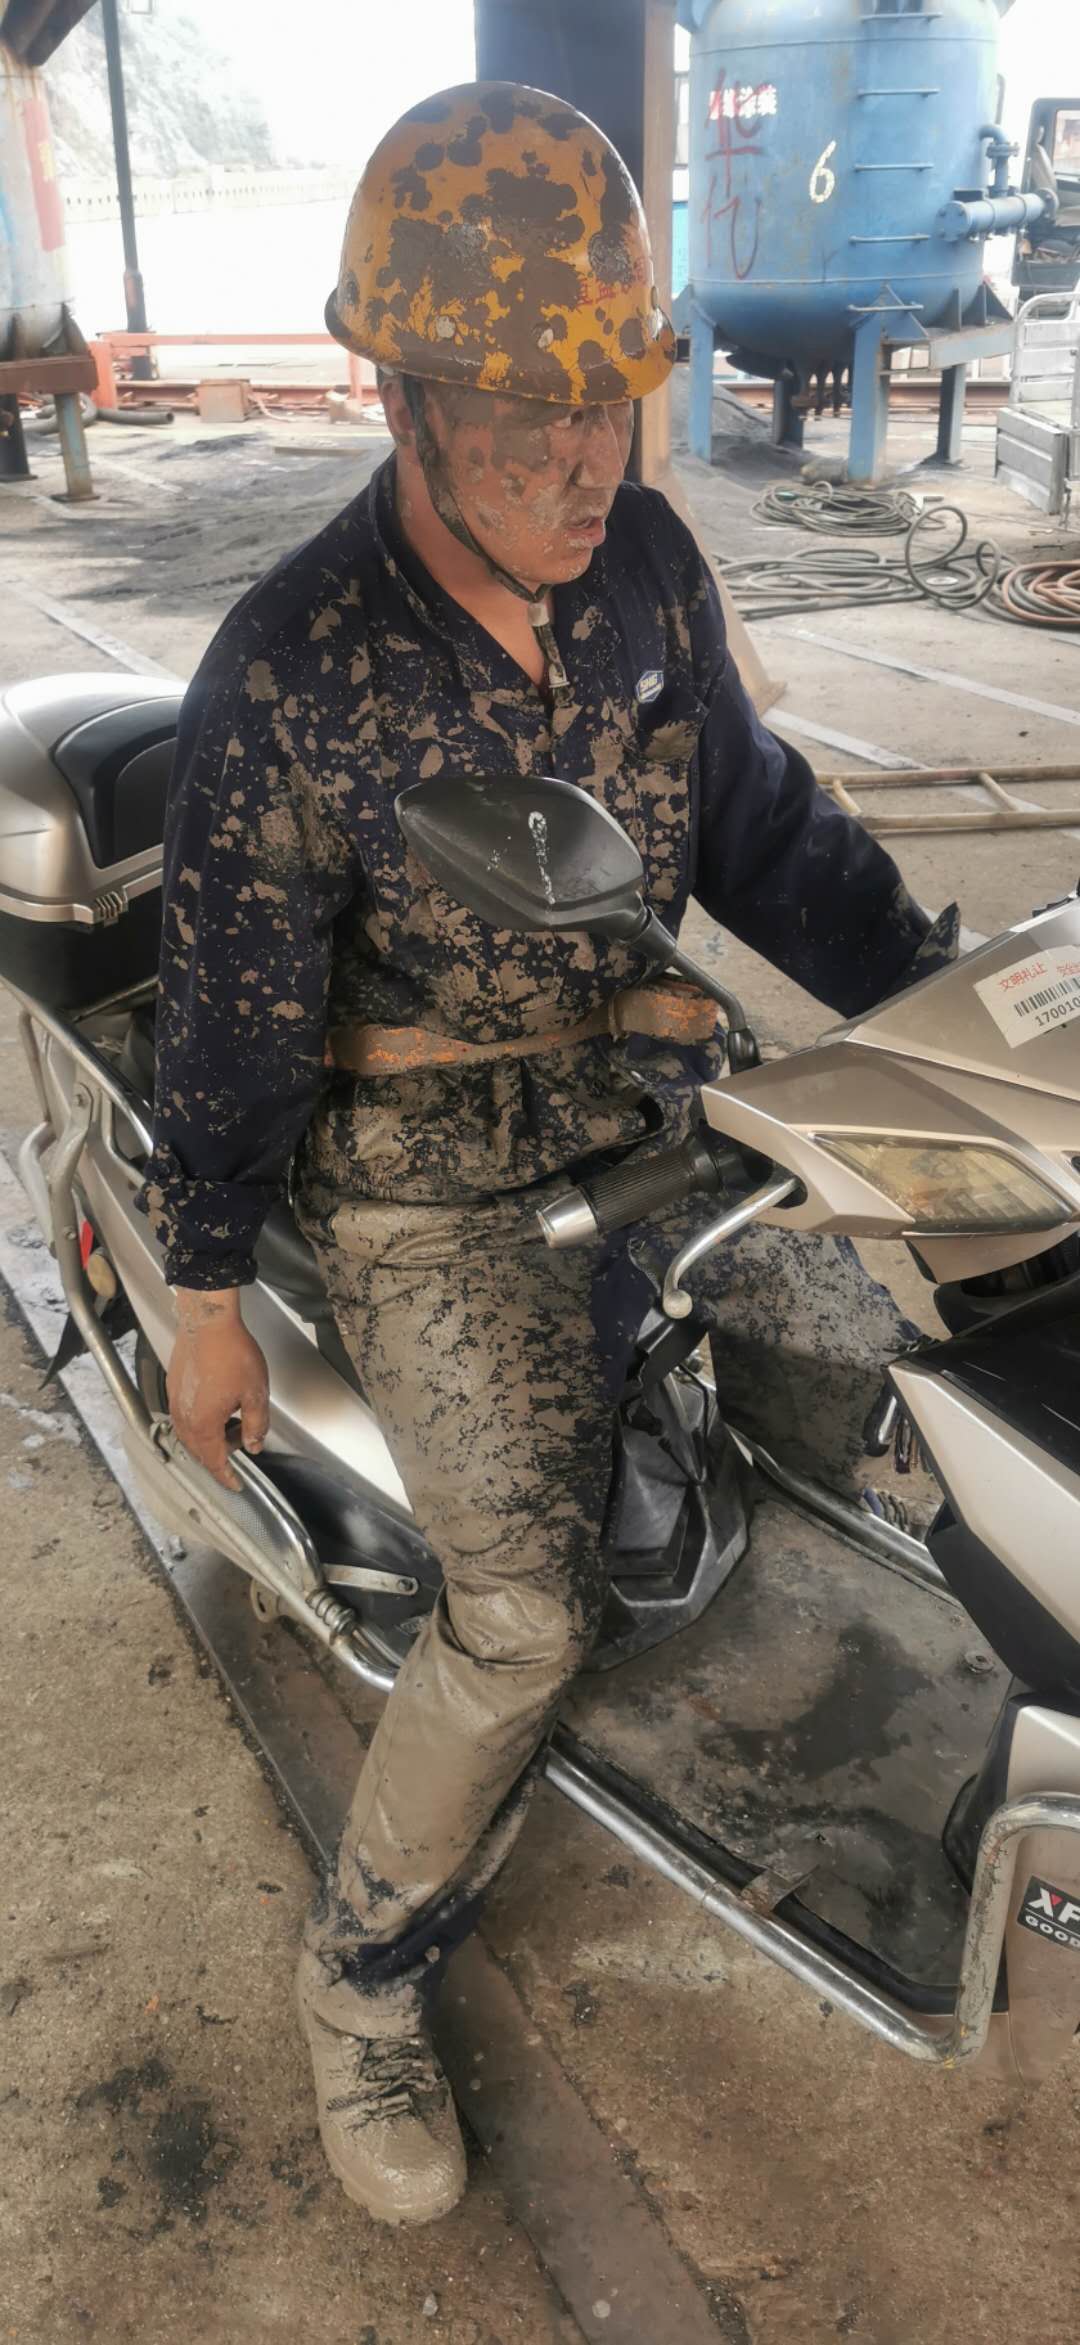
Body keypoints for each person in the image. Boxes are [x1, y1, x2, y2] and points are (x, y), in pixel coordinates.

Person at [140, 81, 957, 2228]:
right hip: (427, 1180)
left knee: (892, 1377)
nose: (590, 460)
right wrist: (201, 1299)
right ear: (400, 396)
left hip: (649, 1102)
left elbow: (765, 830)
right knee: (520, 1616)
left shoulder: (646, 568)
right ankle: (358, 1984)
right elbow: (227, 1027)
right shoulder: (291, 674)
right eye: (529, 417)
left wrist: (933, 1016)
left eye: (612, 399)